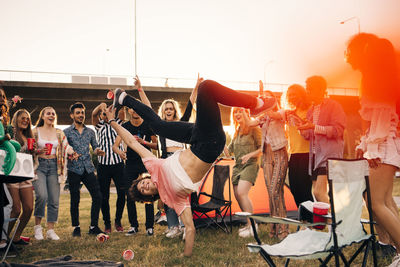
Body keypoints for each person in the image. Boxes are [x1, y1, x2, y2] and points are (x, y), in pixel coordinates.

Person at [105, 79, 275, 256]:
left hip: (195, 139)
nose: (145, 185)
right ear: (150, 197)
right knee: (206, 88)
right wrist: (186, 255)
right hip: (209, 145)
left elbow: (131, 141)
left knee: (158, 126)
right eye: (144, 190)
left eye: (142, 183)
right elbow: (190, 228)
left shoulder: (154, 167)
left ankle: (122, 97)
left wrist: (112, 122)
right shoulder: (172, 198)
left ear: (145, 178)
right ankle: (256, 104)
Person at [346, 33, 400, 266]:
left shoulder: (374, 79)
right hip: (386, 143)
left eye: (350, 52)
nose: (347, 57)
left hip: (382, 145)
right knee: (385, 201)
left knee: (377, 202)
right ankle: (397, 250)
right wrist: (363, 145)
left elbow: (380, 117)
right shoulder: (386, 75)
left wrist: (371, 149)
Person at [137, 75, 200, 238]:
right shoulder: (159, 127)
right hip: (166, 162)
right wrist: (140, 89)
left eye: (171, 108)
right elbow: (147, 108)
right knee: (168, 196)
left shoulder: (182, 124)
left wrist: (196, 88)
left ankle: (186, 226)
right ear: (163, 112)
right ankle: (173, 227)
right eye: (166, 109)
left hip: (182, 163)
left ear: (174, 111)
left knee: (183, 194)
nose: (169, 111)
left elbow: (190, 105)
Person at [298, 76, 346, 204]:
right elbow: (309, 135)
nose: (307, 92)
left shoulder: (334, 106)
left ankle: (332, 222)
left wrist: (314, 127)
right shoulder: (311, 111)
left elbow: (338, 130)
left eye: (310, 89)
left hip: (329, 155)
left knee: (319, 193)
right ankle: (332, 221)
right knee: (321, 195)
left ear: (321, 89)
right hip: (315, 158)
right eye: (307, 89)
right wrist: (301, 128)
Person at [32, 107, 77, 240]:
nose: (51, 115)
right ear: (43, 116)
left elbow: (66, 145)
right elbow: (29, 148)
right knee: (42, 196)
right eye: (48, 113)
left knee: (54, 199)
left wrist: (72, 153)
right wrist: (38, 151)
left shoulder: (59, 132)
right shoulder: (35, 131)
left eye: (53, 113)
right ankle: (38, 228)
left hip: (54, 167)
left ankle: (50, 230)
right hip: (39, 165)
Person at [112, 104, 157, 236]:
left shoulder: (148, 125)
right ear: (129, 110)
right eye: (133, 108)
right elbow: (115, 146)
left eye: (137, 108)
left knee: (149, 193)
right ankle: (133, 226)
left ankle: (150, 227)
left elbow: (157, 145)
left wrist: (144, 143)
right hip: (130, 164)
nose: (135, 111)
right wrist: (120, 152)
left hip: (145, 162)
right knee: (130, 194)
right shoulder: (125, 127)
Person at [63, 102, 105, 236]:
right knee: (75, 199)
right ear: (72, 115)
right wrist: (69, 155)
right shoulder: (66, 132)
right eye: (78, 113)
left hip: (88, 168)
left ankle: (94, 227)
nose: (81, 115)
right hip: (74, 169)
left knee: (98, 196)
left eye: (82, 113)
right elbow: (64, 149)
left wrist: (98, 151)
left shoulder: (90, 132)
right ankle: (76, 227)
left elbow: (95, 146)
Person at [225, 107, 261, 238]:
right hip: (237, 167)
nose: (238, 114)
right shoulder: (236, 131)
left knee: (242, 192)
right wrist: (221, 143)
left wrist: (250, 155)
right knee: (237, 195)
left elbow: (263, 147)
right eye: (235, 112)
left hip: (251, 165)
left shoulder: (254, 128)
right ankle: (247, 223)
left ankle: (253, 226)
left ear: (247, 113)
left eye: (240, 111)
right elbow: (229, 152)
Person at [92, 102, 125, 233]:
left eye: (107, 114)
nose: (105, 116)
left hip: (118, 164)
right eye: (103, 114)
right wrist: (100, 106)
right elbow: (93, 114)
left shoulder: (117, 122)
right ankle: (107, 223)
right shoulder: (99, 125)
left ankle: (118, 221)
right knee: (104, 196)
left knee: (122, 194)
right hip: (103, 165)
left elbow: (122, 111)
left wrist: (114, 107)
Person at [6, 109, 34, 245]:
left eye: (27, 119)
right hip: (11, 174)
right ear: (16, 119)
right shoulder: (11, 132)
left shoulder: (29, 136)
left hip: (24, 174)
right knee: (16, 209)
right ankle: (4, 239)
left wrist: (35, 151)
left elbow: (30, 158)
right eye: (22, 118)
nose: (25, 121)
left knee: (28, 208)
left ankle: (16, 237)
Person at [285, 84, 313, 207]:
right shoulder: (290, 113)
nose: (291, 97)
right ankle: (305, 221)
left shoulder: (310, 110)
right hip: (294, 154)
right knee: (294, 189)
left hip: (307, 153)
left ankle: (311, 222)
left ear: (302, 94)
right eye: (289, 95)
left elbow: (311, 130)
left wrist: (297, 119)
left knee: (304, 189)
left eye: (294, 94)